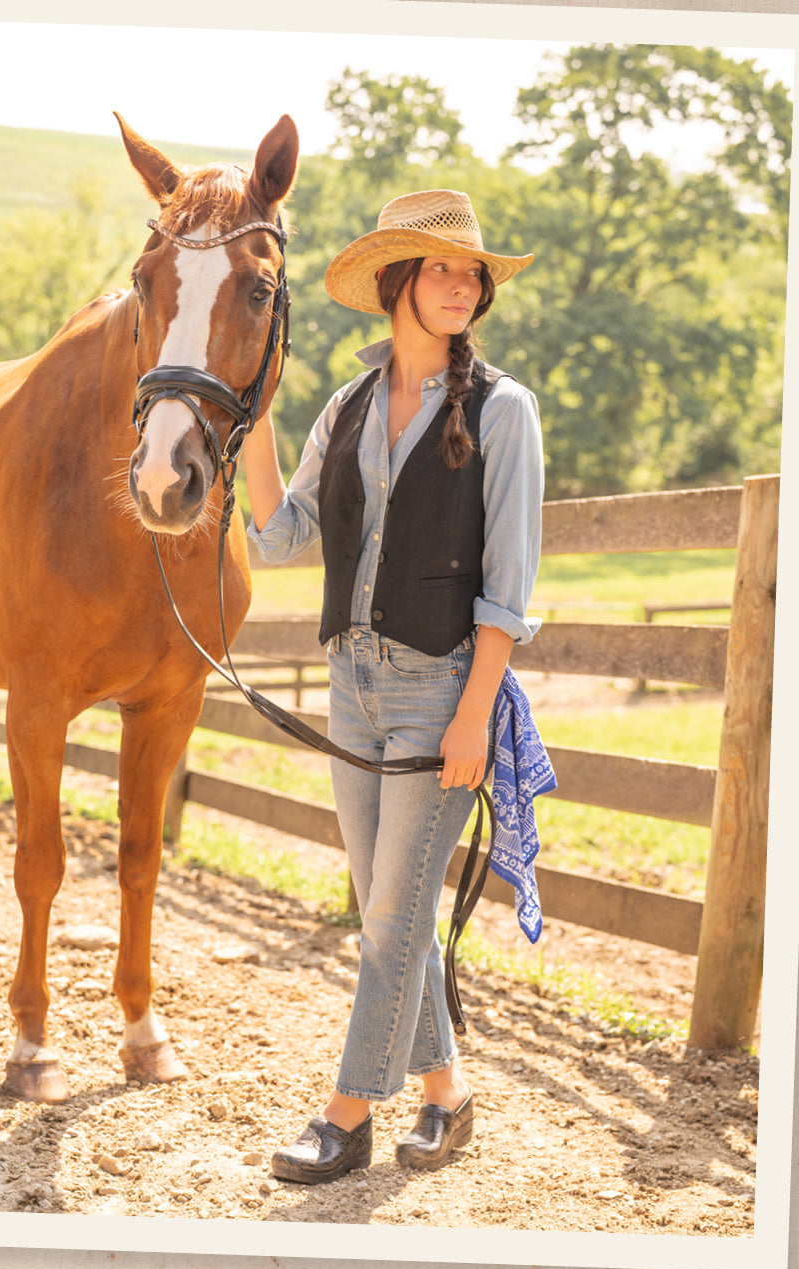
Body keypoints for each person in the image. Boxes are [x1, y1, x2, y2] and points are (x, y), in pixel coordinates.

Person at [241, 189, 543, 1183]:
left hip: (436, 690)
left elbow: (506, 590)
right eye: (439, 268)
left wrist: (471, 715)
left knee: (385, 919)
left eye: (471, 273)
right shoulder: (346, 406)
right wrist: (252, 418)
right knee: (391, 909)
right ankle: (446, 1096)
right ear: (395, 284)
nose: (461, 285)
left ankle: (345, 1116)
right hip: (351, 686)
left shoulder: (503, 411)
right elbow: (280, 538)